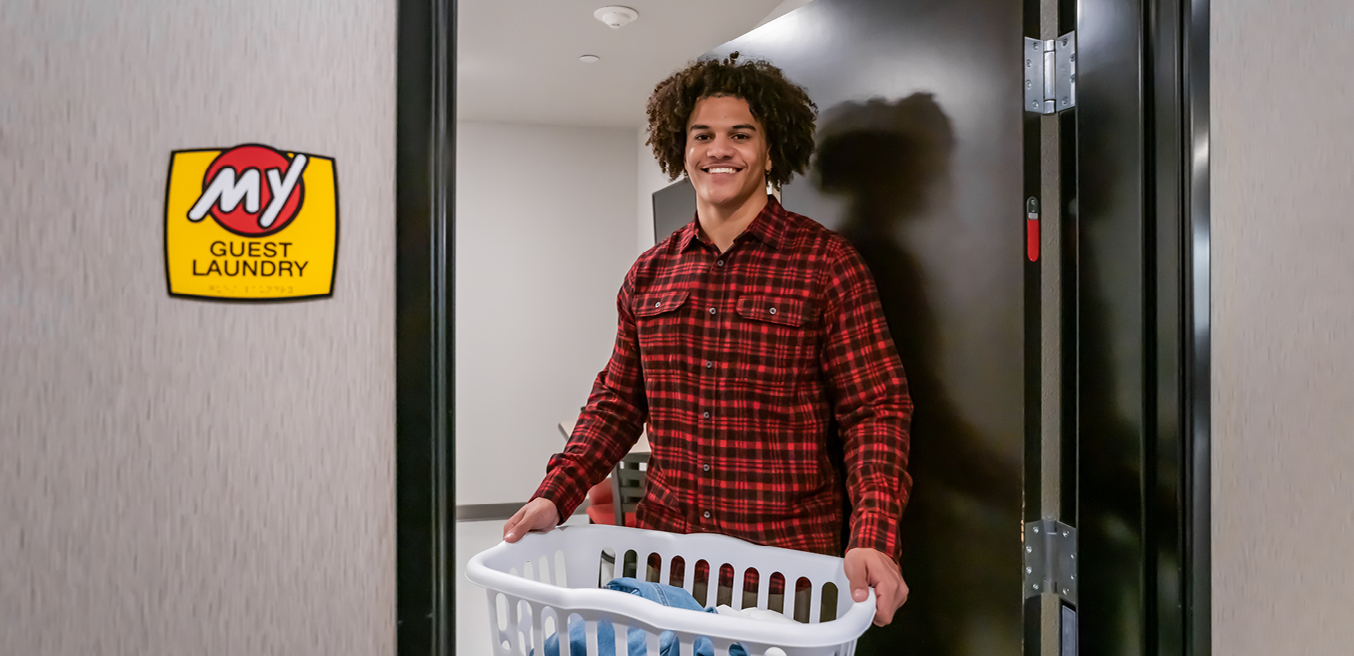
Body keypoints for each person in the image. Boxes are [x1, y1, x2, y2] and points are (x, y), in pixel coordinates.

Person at [503, 53, 913, 627]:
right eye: (704, 135)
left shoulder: (828, 265)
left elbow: (875, 410)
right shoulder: (649, 274)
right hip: (666, 565)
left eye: (740, 134)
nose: (720, 149)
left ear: (771, 150)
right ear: (682, 148)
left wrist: (873, 536)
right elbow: (618, 401)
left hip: (787, 571)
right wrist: (557, 492)